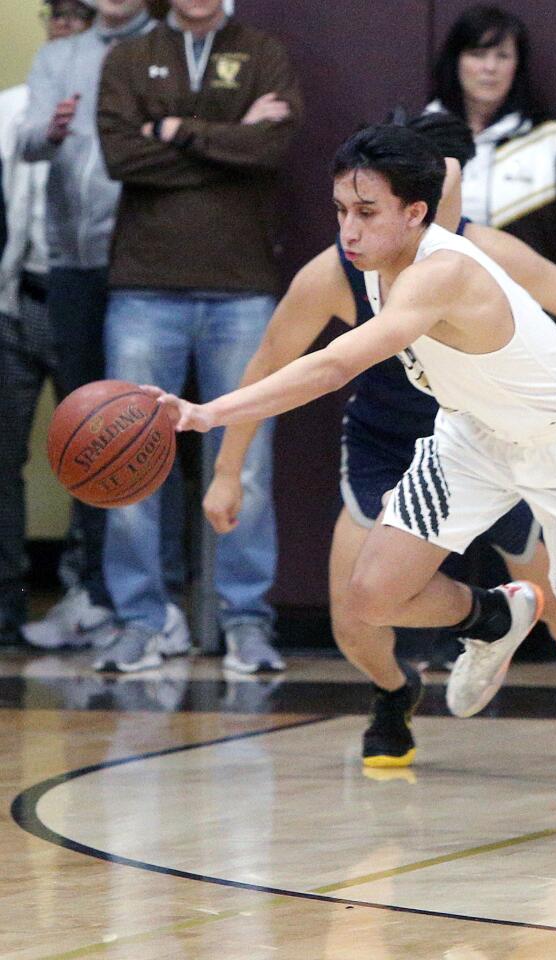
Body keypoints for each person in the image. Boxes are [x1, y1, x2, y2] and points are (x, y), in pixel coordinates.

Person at [153, 124, 556, 829]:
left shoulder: (448, 269)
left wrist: (208, 414)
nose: (348, 230)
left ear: (416, 212)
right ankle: (492, 615)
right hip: (475, 434)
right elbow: (289, 349)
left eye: (366, 213)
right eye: (340, 212)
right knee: (370, 595)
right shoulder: (360, 265)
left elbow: (333, 366)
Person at [93, 0, 302, 674]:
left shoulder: (263, 51)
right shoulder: (128, 55)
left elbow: (271, 148)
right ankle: (141, 621)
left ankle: (245, 619)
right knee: (128, 460)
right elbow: (122, 157)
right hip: (144, 286)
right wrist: (226, 138)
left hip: (241, 288)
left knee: (249, 464)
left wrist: (177, 129)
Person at [17, 0, 158, 650]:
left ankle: (154, 597)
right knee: (88, 433)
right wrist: (50, 128)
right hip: (73, 265)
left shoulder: (160, 44)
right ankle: (93, 590)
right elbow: (28, 143)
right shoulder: (57, 56)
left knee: (148, 433)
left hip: (144, 259)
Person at [0, 0, 96, 648]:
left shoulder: (112, 105)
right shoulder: (9, 108)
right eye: (55, 16)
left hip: (83, 299)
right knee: (4, 459)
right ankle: (6, 605)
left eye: (78, 16)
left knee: (98, 457)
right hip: (16, 298)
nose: (64, 27)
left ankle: (85, 597)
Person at [428, 4, 556, 293]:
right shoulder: (418, 140)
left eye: (502, 56)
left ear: (517, 66)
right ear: (455, 61)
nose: (490, 67)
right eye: (478, 54)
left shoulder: (552, 143)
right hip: (431, 312)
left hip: (524, 323)